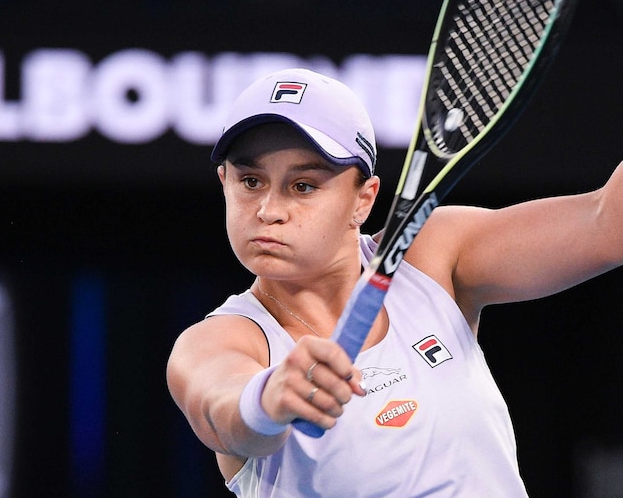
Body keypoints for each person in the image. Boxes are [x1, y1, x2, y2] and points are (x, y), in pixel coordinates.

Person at [166, 67, 623, 497]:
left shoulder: (433, 255)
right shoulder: (218, 340)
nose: (268, 210)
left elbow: (608, 226)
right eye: (250, 181)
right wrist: (267, 398)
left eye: (303, 186)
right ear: (224, 180)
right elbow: (220, 410)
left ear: (363, 200)